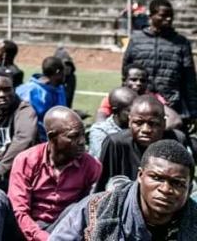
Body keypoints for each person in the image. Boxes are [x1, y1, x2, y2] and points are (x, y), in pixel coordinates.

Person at [0, 106, 101, 241]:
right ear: (52, 137)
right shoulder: (26, 160)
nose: (82, 141)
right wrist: (42, 237)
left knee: (80, 207)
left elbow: (88, 213)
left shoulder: (92, 166)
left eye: (83, 134)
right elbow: (19, 210)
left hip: (61, 231)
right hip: (23, 229)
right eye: (73, 136)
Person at [50, 139, 197, 240]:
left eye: (177, 183)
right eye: (157, 178)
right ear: (140, 176)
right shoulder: (95, 209)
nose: (165, 189)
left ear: (189, 189)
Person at [122, 0, 197, 121]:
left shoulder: (181, 43)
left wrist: (193, 111)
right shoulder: (136, 40)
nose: (168, 19)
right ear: (151, 16)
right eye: (163, 16)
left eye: (170, 16)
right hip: (140, 104)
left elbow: (189, 79)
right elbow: (126, 72)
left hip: (172, 105)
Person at [96, 95, 189, 192]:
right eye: (138, 122)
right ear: (129, 122)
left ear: (164, 123)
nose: (146, 130)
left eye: (153, 123)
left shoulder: (176, 140)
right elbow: (101, 186)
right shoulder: (116, 143)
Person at [16, 56, 67, 141]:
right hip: (35, 140)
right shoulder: (28, 91)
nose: (65, 75)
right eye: (63, 72)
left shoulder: (59, 89)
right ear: (58, 72)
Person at [89, 86, 137, 158]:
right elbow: (103, 158)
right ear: (115, 111)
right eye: (130, 111)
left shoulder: (139, 127)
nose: (136, 113)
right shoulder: (101, 131)